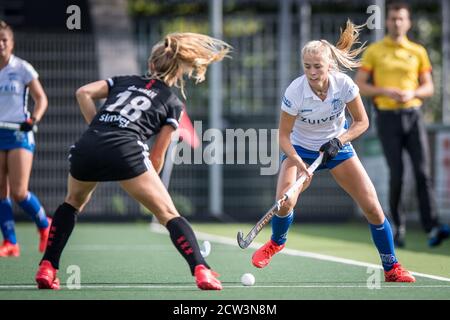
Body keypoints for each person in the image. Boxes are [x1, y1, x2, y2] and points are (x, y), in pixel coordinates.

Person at [34, 32, 231, 290]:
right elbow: (157, 155)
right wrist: (148, 179)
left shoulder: (123, 81)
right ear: (179, 72)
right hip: (126, 152)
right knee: (168, 214)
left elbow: (83, 92)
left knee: (72, 203)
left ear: (151, 65)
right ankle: (202, 270)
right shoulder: (172, 103)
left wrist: (97, 127)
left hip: (88, 145)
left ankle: (48, 267)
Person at [252, 20, 416, 282]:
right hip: (300, 150)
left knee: (373, 207)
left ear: (329, 65)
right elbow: (283, 136)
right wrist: (296, 160)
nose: (313, 72)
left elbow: (362, 122)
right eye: (307, 66)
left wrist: (339, 140)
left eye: (318, 66)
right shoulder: (295, 92)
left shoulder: (345, 85)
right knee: (285, 201)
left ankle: (392, 268)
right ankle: (276, 242)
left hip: (337, 148)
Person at [355, 2, 449, 248]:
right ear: (387, 22)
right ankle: (398, 225)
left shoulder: (417, 51)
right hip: (387, 117)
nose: (397, 22)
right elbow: (361, 85)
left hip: (413, 115)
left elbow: (429, 87)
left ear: (408, 23)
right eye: (393, 18)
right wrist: (384, 90)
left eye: (401, 19)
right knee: (397, 174)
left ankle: (432, 228)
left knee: (422, 173)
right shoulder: (375, 51)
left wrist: (413, 93)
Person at [0, 20, 51, 257]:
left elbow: (41, 99)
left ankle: (44, 225)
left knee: (19, 192)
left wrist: (34, 119)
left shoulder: (22, 68)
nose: (0, 44)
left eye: (4, 40)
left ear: (11, 43)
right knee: (1, 191)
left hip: (20, 133)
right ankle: (10, 242)